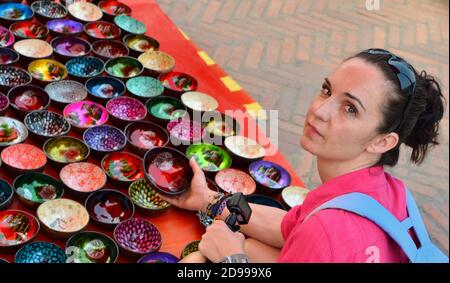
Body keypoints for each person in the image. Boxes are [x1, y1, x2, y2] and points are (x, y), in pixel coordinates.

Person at [158, 48, 446, 263]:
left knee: (200, 261)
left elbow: (314, 235)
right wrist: (207, 200)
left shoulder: (327, 229)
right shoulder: (392, 194)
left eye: (350, 109)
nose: (319, 111)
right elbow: (290, 228)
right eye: (326, 90)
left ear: (383, 141)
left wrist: (231, 259)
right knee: (249, 247)